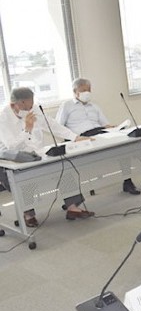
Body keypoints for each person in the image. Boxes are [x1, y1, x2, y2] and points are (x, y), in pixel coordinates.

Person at [0, 87, 95, 225]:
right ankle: (28, 214)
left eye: (31, 106)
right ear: (14, 104)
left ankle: (72, 207)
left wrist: (75, 137)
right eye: (26, 107)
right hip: (11, 162)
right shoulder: (3, 118)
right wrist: (27, 129)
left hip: (37, 154)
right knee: (24, 180)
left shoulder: (33, 109)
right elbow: (11, 147)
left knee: (64, 166)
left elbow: (52, 125)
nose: (29, 110)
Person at [56, 78, 140, 195]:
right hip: (82, 137)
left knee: (122, 149)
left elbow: (105, 124)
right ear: (75, 91)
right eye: (83, 90)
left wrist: (115, 127)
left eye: (88, 90)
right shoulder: (67, 105)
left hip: (100, 133)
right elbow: (58, 127)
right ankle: (74, 195)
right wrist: (73, 137)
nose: (87, 93)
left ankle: (127, 181)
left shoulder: (94, 106)